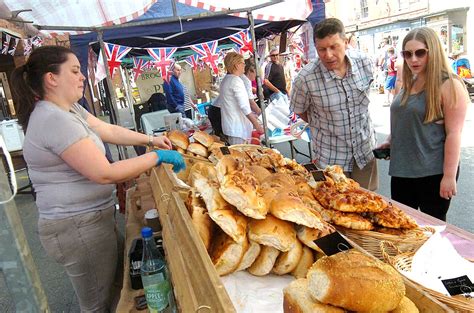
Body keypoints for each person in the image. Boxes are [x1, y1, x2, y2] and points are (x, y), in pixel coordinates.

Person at [10, 45, 185, 312]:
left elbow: (107, 129)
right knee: (96, 305)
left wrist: (150, 140)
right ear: (51, 78)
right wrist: (156, 157)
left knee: (116, 292)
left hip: (90, 220)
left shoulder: (70, 110)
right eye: (75, 71)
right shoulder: (53, 119)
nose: (83, 77)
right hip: (76, 227)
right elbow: (104, 173)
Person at [377, 27, 469, 221]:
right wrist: (391, 140)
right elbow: (406, 120)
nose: (413, 59)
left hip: (432, 173)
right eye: (407, 54)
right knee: (401, 226)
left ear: (433, 51)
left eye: (420, 52)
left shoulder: (449, 84)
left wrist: (449, 176)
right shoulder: (411, 82)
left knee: (433, 231)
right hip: (402, 171)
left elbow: (454, 133)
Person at [291, 17, 378, 191]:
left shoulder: (365, 63)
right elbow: (299, 110)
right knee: (337, 208)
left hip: (365, 152)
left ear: (345, 42)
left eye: (333, 47)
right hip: (331, 159)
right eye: (322, 49)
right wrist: (324, 122)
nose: (328, 55)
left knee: (368, 206)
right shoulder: (305, 78)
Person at [219, 52, 263, 145]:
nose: (244, 65)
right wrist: (257, 124)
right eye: (243, 63)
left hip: (232, 127)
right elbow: (244, 106)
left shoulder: (226, 79)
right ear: (236, 65)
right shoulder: (235, 80)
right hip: (237, 128)